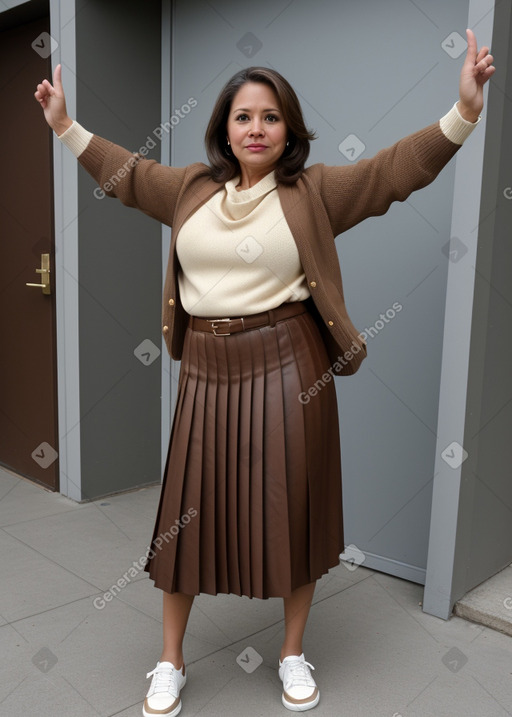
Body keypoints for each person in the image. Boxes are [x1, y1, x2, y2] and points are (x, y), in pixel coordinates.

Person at [35, 28, 494, 716]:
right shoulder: (188, 188)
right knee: (185, 519)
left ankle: (291, 652)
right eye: (243, 115)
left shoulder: (313, 193)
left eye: (271, 116)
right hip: (208, 373)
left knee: (291, 512)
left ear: (289, 130)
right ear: (225, 126)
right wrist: (67, 125)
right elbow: (125, 175)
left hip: (288, 364)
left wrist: (463, 112)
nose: (256, 127)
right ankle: (170, 660)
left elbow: (395, 172)